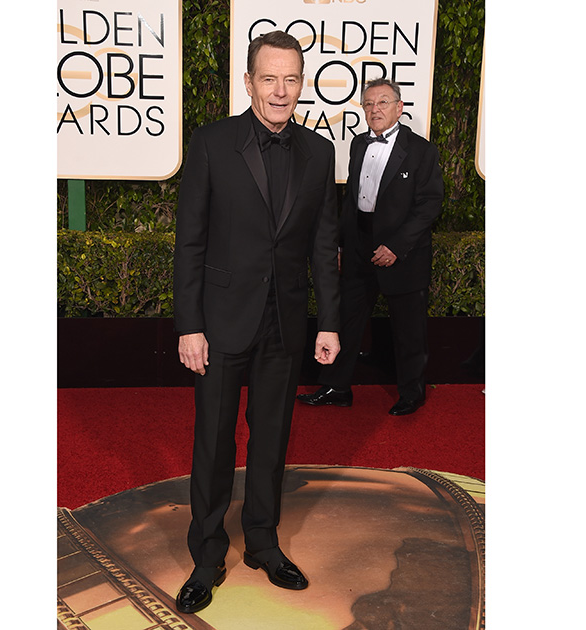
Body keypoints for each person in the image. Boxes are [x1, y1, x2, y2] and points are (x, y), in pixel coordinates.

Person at [173, 30, 341, 614]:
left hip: (285, 322)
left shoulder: (319, 152)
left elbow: (324, 245)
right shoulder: (211, 142)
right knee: (213, 442)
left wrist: (329, 322)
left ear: (302, 83)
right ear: (248, 82)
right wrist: (189, 324)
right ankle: (207, 556)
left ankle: (264, 544)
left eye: (291, 79)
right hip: (220, 321)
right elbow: (190, 241)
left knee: (271, 440)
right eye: (269, 78)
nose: (280, 90)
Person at [297, 78, 443, 416]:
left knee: (408, 330)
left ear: (399, 108)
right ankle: (336, 387)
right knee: (346, 320)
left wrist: (395, 246)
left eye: (382, 103)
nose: (375, 109)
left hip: (402, 253)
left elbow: (430, 204)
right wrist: (340, 244)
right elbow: (351, 200)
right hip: (359, 246)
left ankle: (412, 394)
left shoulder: (421, 150)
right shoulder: (358, 144)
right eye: (368, 104)